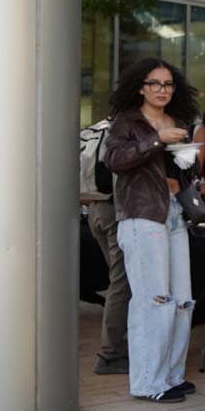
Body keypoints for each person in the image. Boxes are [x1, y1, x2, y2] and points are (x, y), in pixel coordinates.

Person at [104, 57, 199, 404]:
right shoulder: (127, 122)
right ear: (140, 87)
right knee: (153, 299)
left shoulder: (179, 120)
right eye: (155, 83)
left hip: (175, 212)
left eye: (168, 84)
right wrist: (157, 139)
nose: (162, 90)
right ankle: (148, 382)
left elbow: (185, 172)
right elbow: (115, 160)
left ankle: (171, 376)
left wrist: (188, 160)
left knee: (182, 300)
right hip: (141, 215)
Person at [82, 117, 131, 376]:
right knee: (121, 283)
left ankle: (116, 346)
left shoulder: (97, 128)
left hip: (94, 209)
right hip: (114, 210)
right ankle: (110, 354)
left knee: (118, 280)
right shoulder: (123, 130)